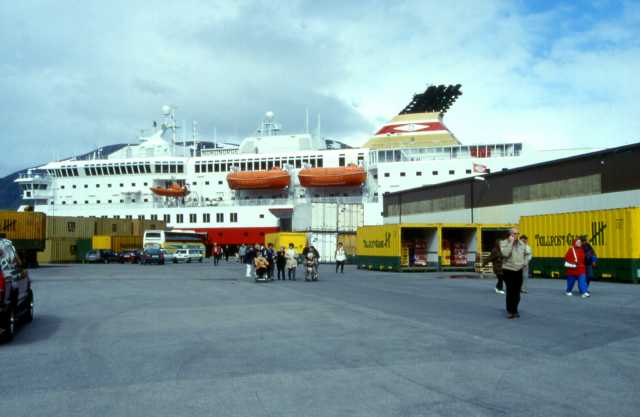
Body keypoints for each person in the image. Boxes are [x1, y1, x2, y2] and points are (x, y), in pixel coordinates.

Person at [500, 228, 528, 319]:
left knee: (517, 293)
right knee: (510, 291)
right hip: (508, 270)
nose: (516, 235)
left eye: (517, 233)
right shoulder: (503, 243)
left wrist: (525, 263)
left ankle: (515, 309)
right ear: (510, 234)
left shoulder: (521, 244)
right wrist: (511, 242)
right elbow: (505, 254)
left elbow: (526, 254)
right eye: (514, 233)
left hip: (518, 270)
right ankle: (510, 311)